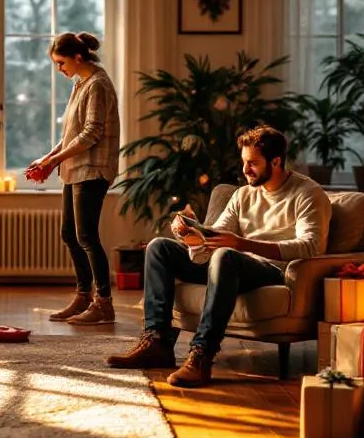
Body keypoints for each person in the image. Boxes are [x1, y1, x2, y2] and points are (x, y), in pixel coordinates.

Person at [106, 126, 331, 388]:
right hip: (228, 262)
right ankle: (157, 342)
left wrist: (241, 244)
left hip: (273, 270)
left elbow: (310, 247)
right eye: (244, 162)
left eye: (253, 163)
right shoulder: (243, 194)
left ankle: (201, 355)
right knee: (160, 247)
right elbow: (218, 235)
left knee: (226, 255)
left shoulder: (307, 193)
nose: (245, 170)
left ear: (276, 161)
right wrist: (192, 232)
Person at [27, 31, 121, 326]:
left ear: (77, 57)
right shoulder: (80, 83)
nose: (59, 69)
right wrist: (48, 157)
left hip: (93, 169)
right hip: (75, 169)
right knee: (70, 234)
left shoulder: (98, 85)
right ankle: (83, 296)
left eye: (60, 62)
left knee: (87, 237)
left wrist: (55, 159)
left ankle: (103, 303)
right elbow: (71, 132)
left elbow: (92, 133)